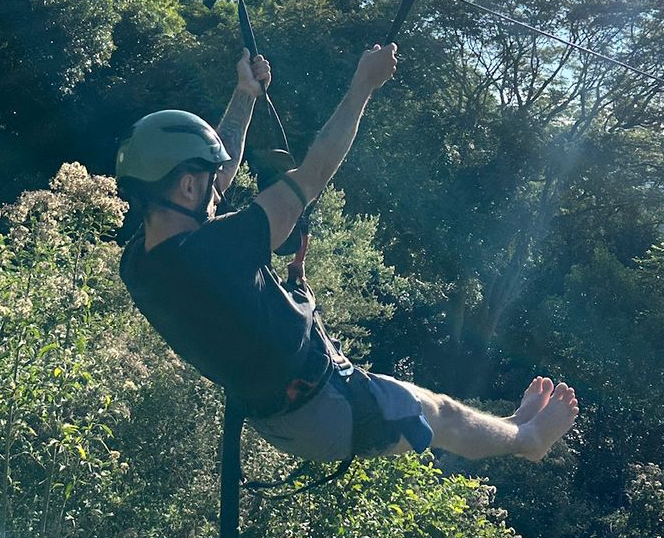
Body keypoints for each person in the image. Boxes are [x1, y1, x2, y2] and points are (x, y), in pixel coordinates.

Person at [116, 43, 579, 472]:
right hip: (328, 411)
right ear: (187, 186)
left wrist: (245, 93)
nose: (218, 186)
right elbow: (314, 171)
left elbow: (216, 176)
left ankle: (512, 425)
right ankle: (529, 438)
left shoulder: (140, 259)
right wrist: (363, 85)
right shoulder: (216, 251)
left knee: (440, 411)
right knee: (443, 415)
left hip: (287, 405)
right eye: (206, 177)